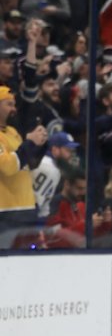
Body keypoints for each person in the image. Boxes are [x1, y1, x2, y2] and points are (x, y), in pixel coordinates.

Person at [0, 85, 47, 248]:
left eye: (14, 104)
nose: (14, 109)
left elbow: (27, 164)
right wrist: (29, 142)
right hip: (5, 212)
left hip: (26, 208)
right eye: (8, 104)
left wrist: (39, 145)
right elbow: (8, 167)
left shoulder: (12, 132)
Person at [44, 169, 112, 248]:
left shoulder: (81, 206)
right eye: (79, 188)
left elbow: (92, 238)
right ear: (67, 184)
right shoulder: (54, 206)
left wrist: (104, 223)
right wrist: (86, 225)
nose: (83, 193)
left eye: (84, 189)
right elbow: (53, 240)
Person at [31, 131, 78, 219]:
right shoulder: (48, 167)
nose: (71, 155)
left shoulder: (51, 165)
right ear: (55, 150)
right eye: (68, 150)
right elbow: (35, 202)